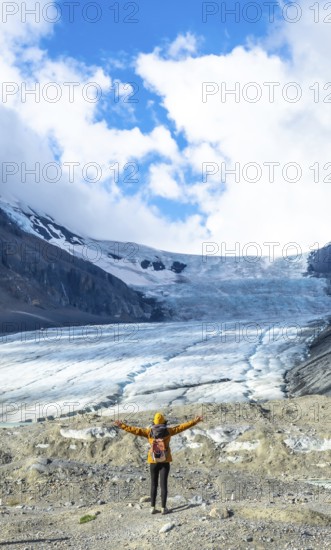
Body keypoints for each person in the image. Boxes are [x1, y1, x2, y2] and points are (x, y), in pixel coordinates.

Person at [114, 412, 203, 514]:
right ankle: (163, 508)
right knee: (163, 484)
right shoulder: (169, 431)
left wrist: (122, 425)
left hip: (153, 460)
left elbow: (135, 430)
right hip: (165, 460)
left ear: (154, 422)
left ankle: (152, 507)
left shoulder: (149, 432)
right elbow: (182, 427)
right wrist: (195, 421)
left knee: (153, 484)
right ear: (164, 422)